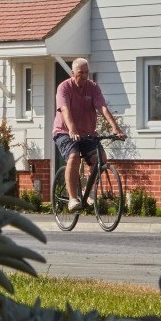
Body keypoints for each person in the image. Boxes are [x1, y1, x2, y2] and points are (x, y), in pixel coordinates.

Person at [52, 57, 122, 210]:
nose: (84, 75)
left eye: (86, 72)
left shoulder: (93, 88)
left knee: (101, 158)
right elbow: (65, 110)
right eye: (80, 72)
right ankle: (72, 198)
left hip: (87, 133)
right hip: (64, 131)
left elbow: (102, 107)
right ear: (72, 73)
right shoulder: (64, 88)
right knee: (74, 156)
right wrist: (72, 129)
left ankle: (88, 192)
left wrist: (115, 128)